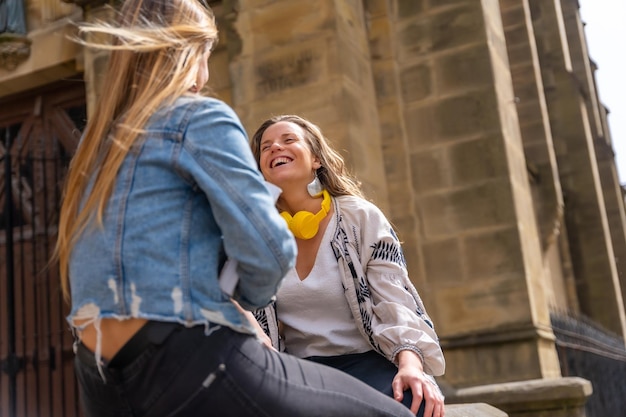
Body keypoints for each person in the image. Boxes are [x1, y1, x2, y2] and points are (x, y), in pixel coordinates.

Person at [53, 1, 418, 416]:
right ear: (194, 53)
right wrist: (247, 297)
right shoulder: (198, 117)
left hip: (98, 374)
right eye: (206, 55)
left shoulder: (94, 144)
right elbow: (268, 249)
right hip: (185, 355)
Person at [250, 115, 447, 417]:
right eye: (266, 147)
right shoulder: (254, 235)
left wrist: (411, 365)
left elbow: (395, 299)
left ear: (316, 159)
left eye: (288, 140)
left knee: (412, 406)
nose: (275, 147)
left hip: (367, 362)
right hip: (297, 373)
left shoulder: (360, 218)